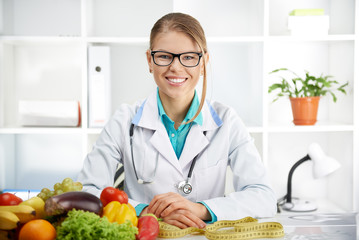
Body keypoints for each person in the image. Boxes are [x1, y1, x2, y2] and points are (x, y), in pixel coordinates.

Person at [77, 12, 277, 229]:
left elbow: (263, 196)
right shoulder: (124, 120)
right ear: (149, 61)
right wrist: (145, 211)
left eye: (189, 57)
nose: (176, 67)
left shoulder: (227, 121)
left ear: (204, 62)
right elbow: (87, 191)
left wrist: (200, 209)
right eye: (164, 56)